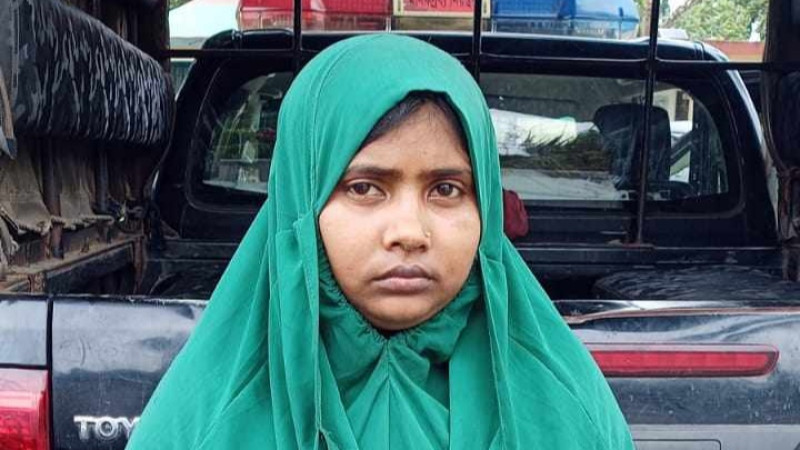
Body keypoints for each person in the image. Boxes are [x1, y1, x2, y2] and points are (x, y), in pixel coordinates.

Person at [126, 34, 633, 449]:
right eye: (364, 188)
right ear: (303, 202)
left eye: (446, 189)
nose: (409, 232)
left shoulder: (566, 412)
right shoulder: (205, 423)